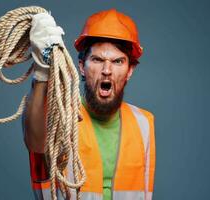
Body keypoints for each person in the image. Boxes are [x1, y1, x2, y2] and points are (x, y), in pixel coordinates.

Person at [23, 9, 156, 200]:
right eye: (97, 60)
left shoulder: (143, 122)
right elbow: (34, 141)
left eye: (118, 61)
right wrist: (42, 76)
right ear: (81, 67)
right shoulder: (57, 116)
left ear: (129, 70)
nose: (107, 70)